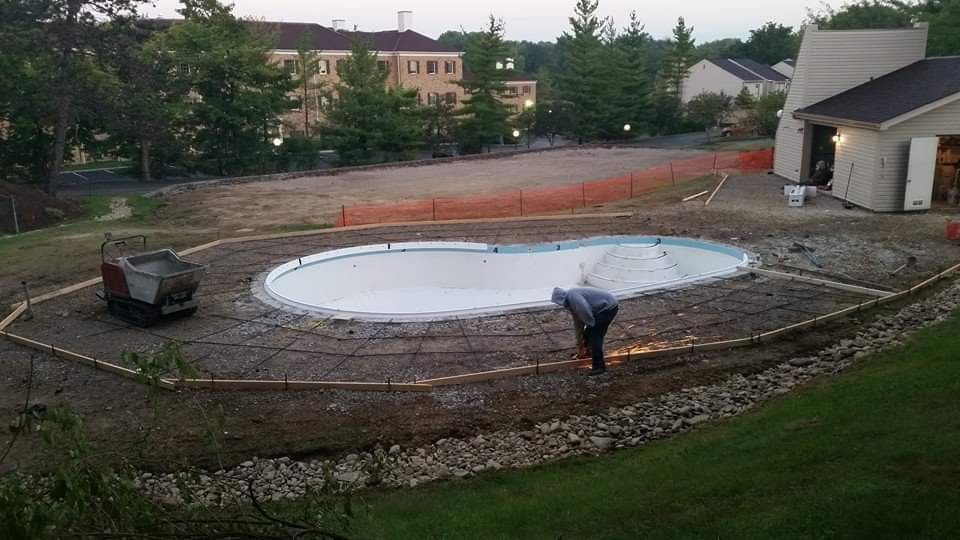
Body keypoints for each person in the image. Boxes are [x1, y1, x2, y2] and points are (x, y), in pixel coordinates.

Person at [551, 287, 619, 376]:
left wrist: (590, 329)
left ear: (561, 299)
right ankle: (588, 352)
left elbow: (585, 311)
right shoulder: (572, 301)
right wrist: (580, 344)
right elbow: (578, 324)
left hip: (608, 307)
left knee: (595, 336)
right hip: (602, 307)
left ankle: (599, 367)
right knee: (589, 334)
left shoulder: (573, 296)